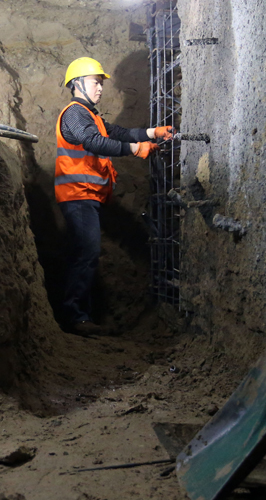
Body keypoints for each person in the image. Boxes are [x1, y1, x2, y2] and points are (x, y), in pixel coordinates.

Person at [55, 57, 175, 336]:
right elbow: (94, 142)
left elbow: (116, 132)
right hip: (77, 195)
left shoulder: (90, 115)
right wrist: (135, 149)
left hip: (85, 196)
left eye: (100, 84)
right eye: (96, 83)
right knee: (86, 253)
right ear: (77, 84)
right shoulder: (74, 113)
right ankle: (75, 317)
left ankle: (77, 315)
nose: (100, 89)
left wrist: (152, 133)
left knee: (86, 253)